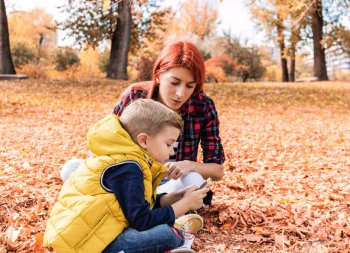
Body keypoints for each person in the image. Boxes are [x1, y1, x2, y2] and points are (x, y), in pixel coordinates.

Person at [61, 40, 225, 200]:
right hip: (130, 178)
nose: (180, 93)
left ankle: (142, 206)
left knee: (195, 181)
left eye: (190, 86)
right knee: (71, 169)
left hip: (171, 184)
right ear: (158, 76)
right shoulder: (135, 95)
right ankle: (153, 208)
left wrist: (190, 165)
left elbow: (217, 170)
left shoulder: (203, 106)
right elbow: (103, 142)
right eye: (174, 82)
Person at [44, 99, 209, 253]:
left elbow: (136, 205)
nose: (172, 151)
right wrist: (185, 205)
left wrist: (178, 197)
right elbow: (141, 220)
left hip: (84, 233)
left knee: (163, 230)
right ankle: (179, 238)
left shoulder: (125, 159)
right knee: (169, 235)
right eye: (168, 144)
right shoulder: (128, 168)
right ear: (144, 141)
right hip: (85, 243)